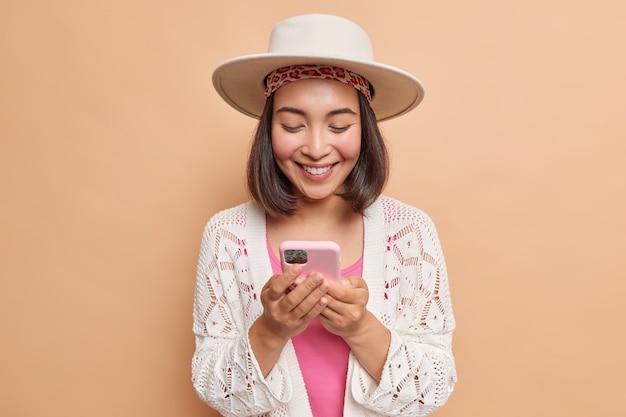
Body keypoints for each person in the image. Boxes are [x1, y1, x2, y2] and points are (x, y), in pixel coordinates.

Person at [192, 13, 456, 417]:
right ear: (268, 130)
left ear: (364, 129)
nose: (316, 148)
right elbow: (214, 389)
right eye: (293, 125)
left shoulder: (409, 232)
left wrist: (359, 327)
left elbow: (433, 388)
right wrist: (270, 330)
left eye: (339, 126)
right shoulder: (227, 235)